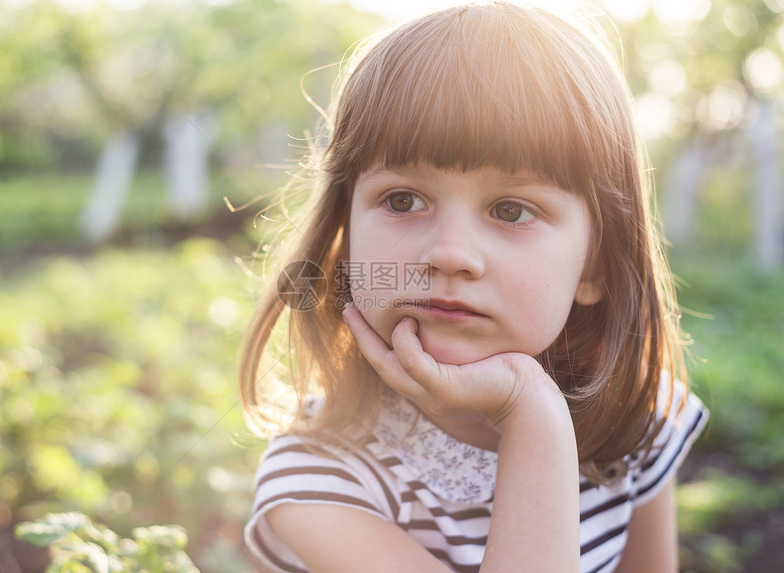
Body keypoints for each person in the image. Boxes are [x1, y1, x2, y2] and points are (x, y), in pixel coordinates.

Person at [239, 2, 708, 572]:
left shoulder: (638, 416)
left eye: (511, 210)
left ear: (594, 267)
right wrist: (530, 412)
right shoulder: (318, 481)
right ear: (344, 240)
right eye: (403, 200)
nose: (449, 254)